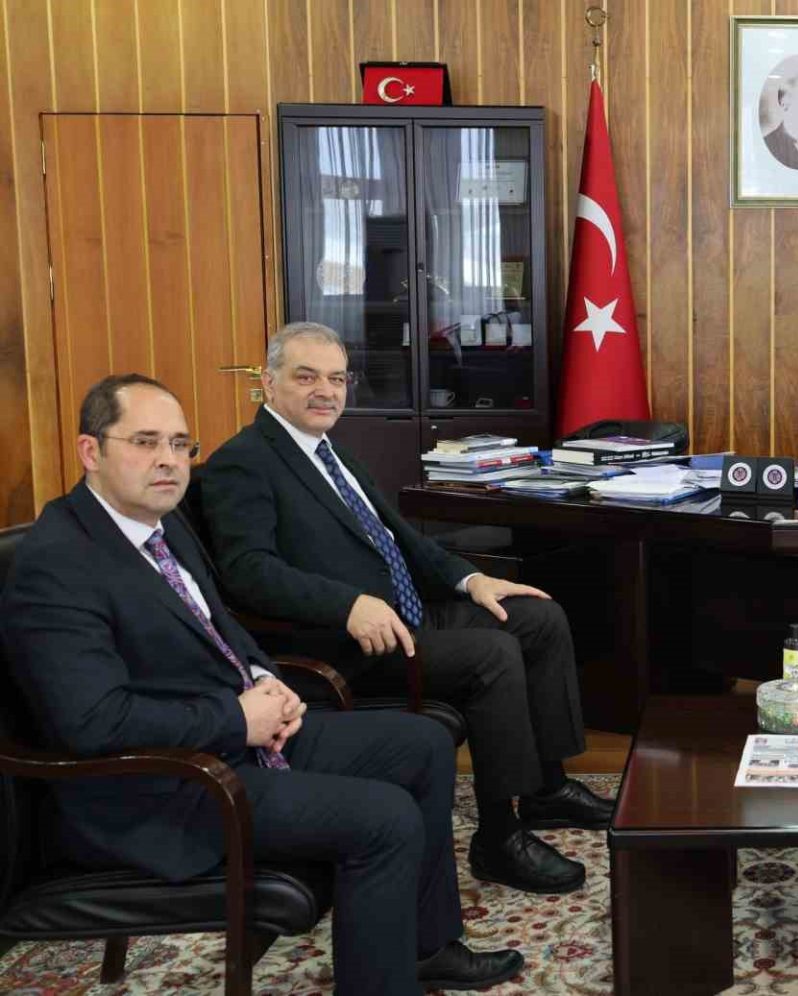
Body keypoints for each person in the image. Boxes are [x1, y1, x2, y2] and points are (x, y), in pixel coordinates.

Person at [0, 374, 521, 994]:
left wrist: (265, 677)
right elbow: (91, 722)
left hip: (229, 742)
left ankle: (425, 949)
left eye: (180, 444)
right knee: (386, 819)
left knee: (424, 744)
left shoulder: (160, 524)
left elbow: (220, 624)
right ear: (91, 451)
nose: (168, 460)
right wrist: (237, 718)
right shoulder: (58, 562)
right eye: (145, 442)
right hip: (162, 789)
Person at [198, 322, 612, 898]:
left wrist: (470, 579)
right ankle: (498, 836)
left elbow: (402, 540)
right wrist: (346, 605)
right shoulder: (243, 462)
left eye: (337, 378)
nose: (326, 391)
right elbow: (249, 572)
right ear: (269, 383)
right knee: (492, 654)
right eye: (306, 377)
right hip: (345, 643)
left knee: (538, 617)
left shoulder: (329, 451)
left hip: (405, 613)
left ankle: (546, 788)